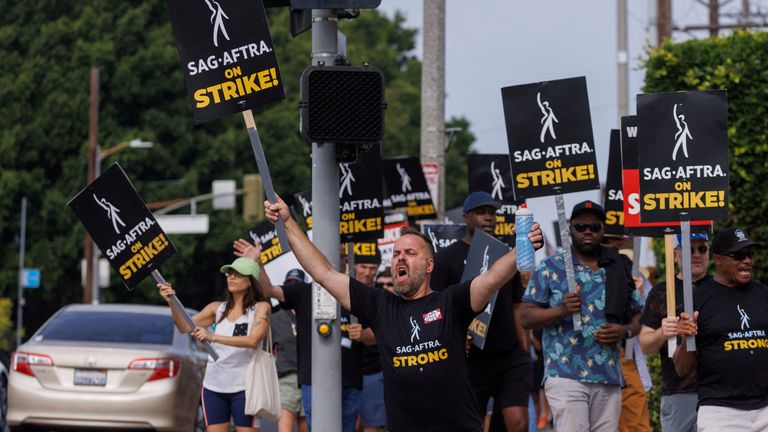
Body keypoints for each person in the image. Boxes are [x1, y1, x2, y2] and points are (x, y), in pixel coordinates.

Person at [263, 195, 543, 431]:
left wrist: (521, 248)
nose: (400, 257)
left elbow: (492, 277)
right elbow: (323, 273)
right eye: (396, 253)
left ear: (430, 265)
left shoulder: (451, 302)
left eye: (410, 252)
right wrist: (288, 222)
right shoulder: (380, 305)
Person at [520, 201, 644, 432]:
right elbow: (526, 317)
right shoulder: (550, 266)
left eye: (595, 227)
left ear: (602, 230)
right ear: (569, 230)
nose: (588, 231)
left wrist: (624, 331)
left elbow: (639, 314)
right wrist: (561, 310)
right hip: (565, 374)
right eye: (581, 227)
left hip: (608, 375)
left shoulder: (617, 266)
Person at [232, 240, 362, 432]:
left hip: (350, 380)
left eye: (340, 257)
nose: (335, 261)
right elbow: (269, 290)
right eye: (329, 256)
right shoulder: (303, 291)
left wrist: (364, 334)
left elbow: (375, 334)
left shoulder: (357, 291)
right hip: (314, 380)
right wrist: (258, 263)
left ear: (345, 261)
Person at [431, 191, 531, 432]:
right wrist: (452, 337)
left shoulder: (507, 257)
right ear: (466, 218)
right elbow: (435, 307)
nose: (488, 218)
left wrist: (524, 350)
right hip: (469, 359)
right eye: (481, 212)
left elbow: (517, 305)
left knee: (517, 422)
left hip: (508, 355)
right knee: (471, 424)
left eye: (492, 213)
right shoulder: (446, 258)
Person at [157, 255, 270, 432]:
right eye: (229, 273)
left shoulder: (261, 308)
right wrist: (171, 302)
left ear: (251, 281)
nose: (231, 277)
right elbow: (184, 326)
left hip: (245, 387)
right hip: (214, 386)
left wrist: (212, 337)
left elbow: (253, 340)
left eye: (238, 274)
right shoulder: (217, 308)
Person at [672, 227, 768, 431]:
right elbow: (682, 369)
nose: (747, 260)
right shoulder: (697, 300)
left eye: (750, 254)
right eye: (738, 255)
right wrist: (685, 339)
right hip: (721, 412)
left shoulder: (763, 293)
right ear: (718, 259)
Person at [638, 233, 711, 432]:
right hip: (679, 392)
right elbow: (645, 344)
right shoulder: (662, 292)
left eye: (702, 249)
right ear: (675, 255)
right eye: (689, 249)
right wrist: (663, 332)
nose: (696, 255)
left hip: (718, 392)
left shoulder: (719, 288)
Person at [601, 234, 653, 432]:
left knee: (636, 424)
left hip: (626, 355)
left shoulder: (630, 270)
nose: (604, 246)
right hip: (588, 359)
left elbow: (652, 312)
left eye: (610, 241)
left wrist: (639, 296)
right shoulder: (578, 269)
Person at [348, 254, 387, 432]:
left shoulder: (382, 295)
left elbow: (384, 330)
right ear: (355, 266)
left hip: (372, 370)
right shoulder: (343, 291)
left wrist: (364, 335)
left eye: (372, 268)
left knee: (372, 424)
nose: (368, 272)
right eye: (363, 266)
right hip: (344, 372)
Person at [272, 269, 308, 432]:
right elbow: (268, 349)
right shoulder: (276, 316)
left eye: (297, 284)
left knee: (306, 426)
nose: (293, 287)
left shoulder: (313, 313)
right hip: (287, 376)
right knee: (285, 428)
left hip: (309, 377)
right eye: (289, 284)